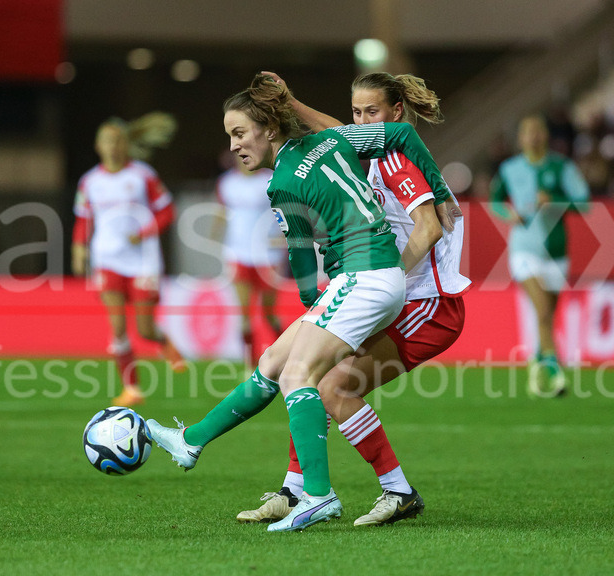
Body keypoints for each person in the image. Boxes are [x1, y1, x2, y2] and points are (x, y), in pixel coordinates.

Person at [146, 73, 451, 532]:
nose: (232, 146)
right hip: (375, 276)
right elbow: (403, 134)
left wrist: (314, 306)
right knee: (273, 359)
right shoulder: (330, 140)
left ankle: (318, 495)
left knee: (298, 376)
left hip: (364, 276)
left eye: (238, 133)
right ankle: (191, 440)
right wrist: (442, 189)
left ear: (269, 130)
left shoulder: (284, 181)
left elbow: (302, 262)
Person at [234, 71, 469, 527]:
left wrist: (378, 278)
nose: (358, 122)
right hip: (397, 300)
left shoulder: (400, 161)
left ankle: (397, 490)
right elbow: (334, 132)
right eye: (355, 112)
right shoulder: (364, 153)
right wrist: (291, 100)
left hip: (428, 304)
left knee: (331, 385)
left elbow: (429, 228)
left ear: (395, 114)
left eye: (370, 113)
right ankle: (295, 490)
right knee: (310, 370)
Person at [71, 114, 186, 407]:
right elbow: (83, 219)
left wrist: (144, 231)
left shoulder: (142, 175)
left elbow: (166, 212)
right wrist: (79, 249)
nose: (113, 146)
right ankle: (132, 388)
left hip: (142, 261)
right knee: (118, 328)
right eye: (107, 141)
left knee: (144, 329)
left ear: (126, 144)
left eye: (118, 140)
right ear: (98, 146)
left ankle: (163, 342)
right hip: (107, 260)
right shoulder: (90, 182)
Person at [490, 115, 590, 397]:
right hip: (523, 250)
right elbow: (495, 200)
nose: (533, 136)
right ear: (520, 138)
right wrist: (508, 213)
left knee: (546, 316)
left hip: (557, 253)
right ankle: (556, 373)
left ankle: (537, 365)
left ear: (546, 135)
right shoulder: (510, 169)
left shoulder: (562, 166)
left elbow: (583, 202)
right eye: (527, 132)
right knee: (543, 310)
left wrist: (556, 202)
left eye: (538, 131)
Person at [211, 152, 284, 367]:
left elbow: (282, 209)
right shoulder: (226, 183)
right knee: (244, 312)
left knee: (268, 312)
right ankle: (251, 364)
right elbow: (223, 210)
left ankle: (283, 355)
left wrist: (282, 235)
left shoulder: (269, 180)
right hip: (237, 253)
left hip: (267, 255)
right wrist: (215, 232)